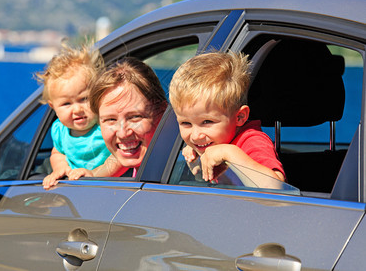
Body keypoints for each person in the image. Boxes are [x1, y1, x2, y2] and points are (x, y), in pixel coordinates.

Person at [168, 51, 285, 185]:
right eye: (186, 123)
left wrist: (229, 153)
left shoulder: (250, 141)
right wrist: (199, 169)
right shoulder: (215, 143)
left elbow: (277, 188)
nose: (195, 136)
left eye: (207, 121)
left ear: (240, 117)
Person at [35, 43, 127, 189]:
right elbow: (58, 153)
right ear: (53, 107)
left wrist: (94, 174)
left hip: (109, 187)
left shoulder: (105, 126)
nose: (77, 109)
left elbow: (119, 157)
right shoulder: (59, 130)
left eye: (84, 99)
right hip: (78, 190)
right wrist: (60, 168)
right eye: (66, 104)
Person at [75, 57, 168, 178]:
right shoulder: (138, 158)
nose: (123, 133)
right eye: (110, 120)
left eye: (135, 117)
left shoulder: (186, 164)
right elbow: (113, 163)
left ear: (162, 111)